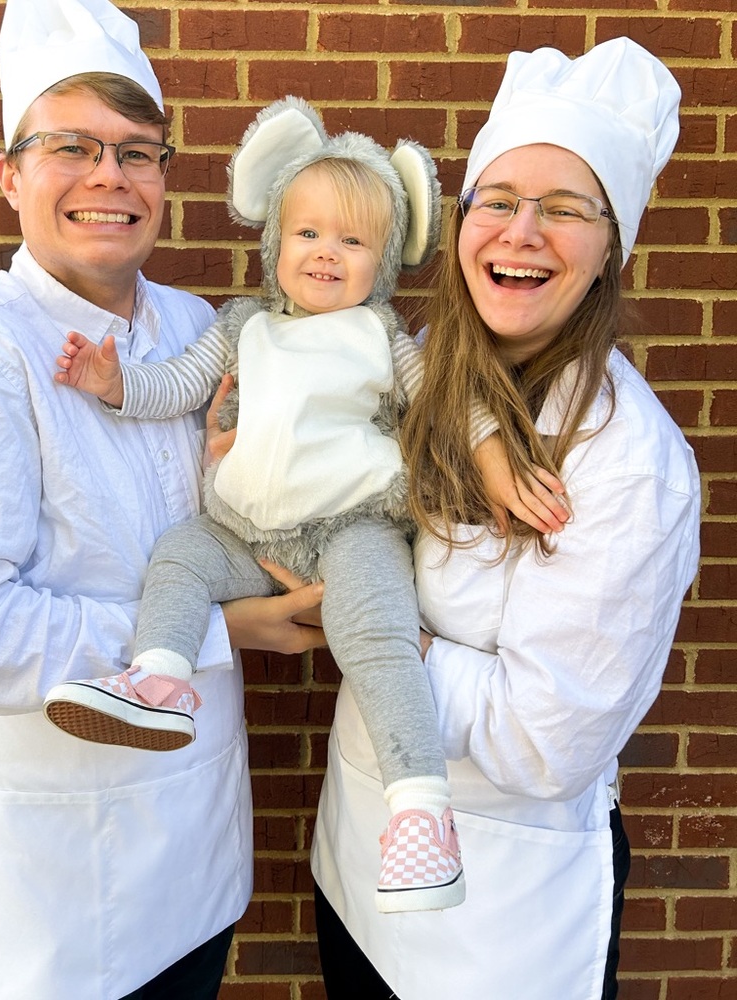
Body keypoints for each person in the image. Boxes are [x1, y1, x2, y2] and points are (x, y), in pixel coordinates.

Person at [0, 2, 328, 997]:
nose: (108, 177)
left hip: (194, 854)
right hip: (52, 900)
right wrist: (221, 633)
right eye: (70, 147)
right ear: (10, 174)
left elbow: (215, 521)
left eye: (136, 151)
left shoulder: (195, 329)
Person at [42, 97, 569, 915]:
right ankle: (161, 678)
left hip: (354, 528)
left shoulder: (381, 335)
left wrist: (497, 463)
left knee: (378, 639)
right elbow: (179, 385)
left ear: (384, 263)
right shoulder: (242, 325)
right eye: (308, 233)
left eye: (353, 242)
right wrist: (116, 385)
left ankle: (420, 814)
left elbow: (450, 407)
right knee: (178, 556)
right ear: (275, 244)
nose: (326, 253)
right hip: (243, 531)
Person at [309, 37, 701, 1000]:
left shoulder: (627, 461)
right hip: (357, 863)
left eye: (564, 210)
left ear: (610, 249)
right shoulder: (429, 361)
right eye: (498, 201)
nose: (521, 233)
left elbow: (545, 738)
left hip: (500, 917)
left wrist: (370, 626)